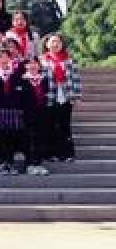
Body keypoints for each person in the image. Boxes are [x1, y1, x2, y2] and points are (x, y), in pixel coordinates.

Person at [0, 49, 27, 175]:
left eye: (6, 57)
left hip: (13, 111)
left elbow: (20, 95)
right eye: (0, 57)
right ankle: (1, 163)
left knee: (11, 137)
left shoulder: (15, 75)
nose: (3, 60)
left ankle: (10, 162)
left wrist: (20, 110)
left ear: (10, 59)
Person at [42, 34, 82, 162]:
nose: (55, 44)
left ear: (62, 44)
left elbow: (76, 79)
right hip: (49, 97)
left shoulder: (70, 60)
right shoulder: (42, 60)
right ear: (47, 44)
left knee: (65, 126)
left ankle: (67, 154)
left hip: (65, 96)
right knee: (50, 126)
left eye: (58, 42)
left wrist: (77, 97)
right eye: (52, 42)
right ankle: (51, 154)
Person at [20, 56, 51, 176]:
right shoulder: (21, 79)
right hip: (26, 114)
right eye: (29, 63)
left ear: (39, 66)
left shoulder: (44, 79)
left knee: (40, 138)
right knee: (28, 139)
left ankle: (38, 163)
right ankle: (29, 164)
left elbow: (47, 95)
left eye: (35, 63)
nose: (33, 65)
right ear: (25, 66)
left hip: (41, 113)